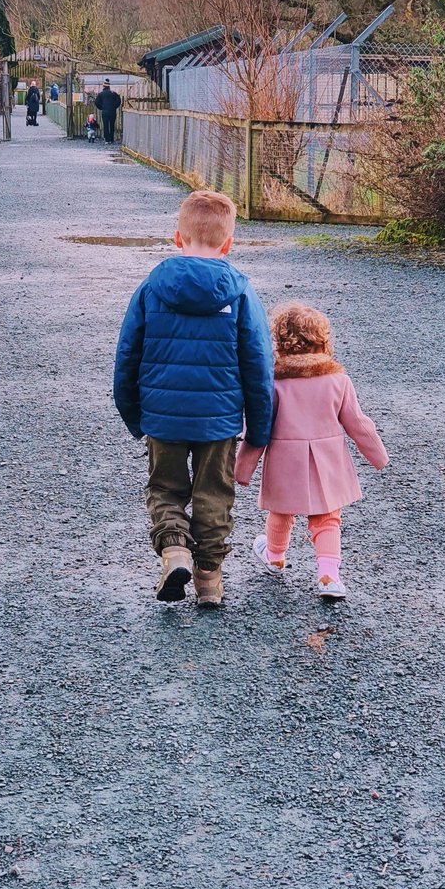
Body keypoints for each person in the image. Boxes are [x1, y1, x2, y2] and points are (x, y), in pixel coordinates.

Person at [113, 190, 273, 607]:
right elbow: (258, 364)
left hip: (163, 417)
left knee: (165, 488)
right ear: (228, 244)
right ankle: (208, 579)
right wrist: (259, 430)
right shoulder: (239, 294)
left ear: (177, 238)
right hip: (217, 421)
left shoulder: (152, 288)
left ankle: (174, 549)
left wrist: (135, 416)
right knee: (213, 495)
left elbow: (127, 354)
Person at [235, 302, 388, 599]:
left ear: (278, 343)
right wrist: (378, 456)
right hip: (327, 462)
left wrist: (242, 470)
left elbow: (258, 430)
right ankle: (329, 576)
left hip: (284, 460)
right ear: (322, 341)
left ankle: (275, 556)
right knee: (327, 517)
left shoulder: (274, 385)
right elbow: (358, 424)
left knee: (281, 511)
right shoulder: (338, 381)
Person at [95, 77, 121, 143]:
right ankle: (111, 139)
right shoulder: (114, 94)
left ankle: (107, 139)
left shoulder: (101, 94)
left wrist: (101, 107)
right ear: (109, 86)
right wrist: (114, 107)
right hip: (112, 111)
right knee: (112, 125)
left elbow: (97, 102)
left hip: (105, 111)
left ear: (103, 86)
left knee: (105, 126)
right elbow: (119, 101)